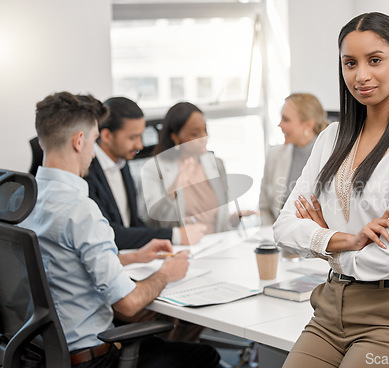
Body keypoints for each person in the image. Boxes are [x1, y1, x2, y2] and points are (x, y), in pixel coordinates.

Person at [274, 13, 389, 368]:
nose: (361, 75)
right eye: (350, 63)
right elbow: (284, 229)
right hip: (328, 309)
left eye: (375, 60)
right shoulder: (330, 138)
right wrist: (350, 239)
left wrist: (324, 241)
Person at [20, 91, 220, 367]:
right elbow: (127, 303)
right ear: (80, 141)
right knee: (204, 356)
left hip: (40, 353)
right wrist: (166, 273)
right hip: (91, 358)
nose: (93, 151)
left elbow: (59, 261)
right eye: (92, 141)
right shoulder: (80, 209)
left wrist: (131, 257)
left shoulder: (23, 199)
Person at [84, 97, 206, 249]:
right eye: (133, 137)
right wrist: (175, 235)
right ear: (107, 136)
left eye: (141, 135)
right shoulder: (86, 170)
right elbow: (108, 233)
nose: (139, 145)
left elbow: (134, 223)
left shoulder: (122, 163)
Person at [140, 102, 252, 235]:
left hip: (217, 244)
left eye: (205, 130)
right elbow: (152, 222)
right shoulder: (154, 169)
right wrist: (176, 184)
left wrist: (235, 218)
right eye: (195, 134)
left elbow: (219, 222)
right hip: (182, 247)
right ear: (175, 137)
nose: (203, 138)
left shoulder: (216, 164)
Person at [259, 93, 329, 226]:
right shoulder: (274, 156)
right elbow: (265, 207)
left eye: (286, 119)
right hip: (279, 240)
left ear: (308, 125)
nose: (280, 125)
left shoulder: (331, 157)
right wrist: (270, 238)